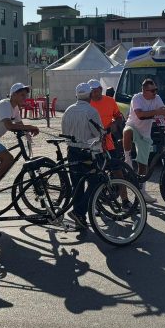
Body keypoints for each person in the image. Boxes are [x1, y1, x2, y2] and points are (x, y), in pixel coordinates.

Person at [59, 82, 105, 231]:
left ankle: (80, 219)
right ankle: (79, 212)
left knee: (77, 185)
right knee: (95, 182)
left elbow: (64, 131)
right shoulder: (91, 111)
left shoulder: (68, 110)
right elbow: (98, 132)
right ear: (90, 95)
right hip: (87, 152)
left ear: (76, 96)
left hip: (72, 151)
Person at [123, 77, 165, 202]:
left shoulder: (157, 98)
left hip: (145, 133)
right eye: (152, 90)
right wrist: (157, 111)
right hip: (133, 126)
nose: (155, 92)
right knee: (127, 131)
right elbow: (140, 114)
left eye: (156, 89)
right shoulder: (136, 98)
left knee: (143, 165)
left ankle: (142, 192)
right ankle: (127, 158)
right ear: (144, 91)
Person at [86, 78, 124, 154]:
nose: (93, 94)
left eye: (95, 91)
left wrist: (115, 123)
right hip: (92, 142)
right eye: (91, 92)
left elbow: (119, 117)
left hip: (108, 142)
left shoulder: (110, 101)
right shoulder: (86, 103)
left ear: (101, 89)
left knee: (112, 160)